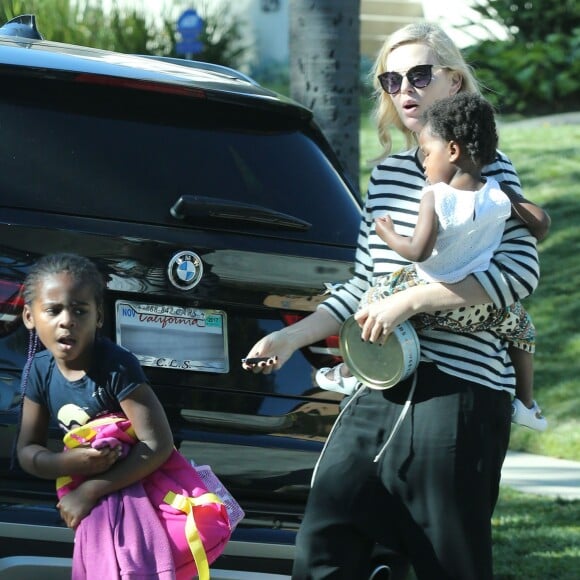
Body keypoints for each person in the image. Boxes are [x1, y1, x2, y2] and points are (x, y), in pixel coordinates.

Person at [242, 21, 545, 579]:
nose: (404, 88)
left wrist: (413, 302)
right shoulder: (385, 178)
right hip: (379, 384)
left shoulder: (487, 170)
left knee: (445, 557)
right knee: (327, 541)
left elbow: (518, 273)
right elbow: (365, 286)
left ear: (454, 83)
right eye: (390, 79)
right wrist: (288, 337)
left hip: (462, 389)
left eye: (420, 74)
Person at [316, 92, 549, 431]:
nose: (423, 163)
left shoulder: (435, 196)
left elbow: (418, 251)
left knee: (373, 302)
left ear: (452, 151)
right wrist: (516, 205)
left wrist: (389, 235)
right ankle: (526, 404)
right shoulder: (497, 193)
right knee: (523, 330)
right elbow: (540, 223)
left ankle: (352, 372)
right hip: (477, 306)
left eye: (426, 154)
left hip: (425, 295)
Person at [15, 253, 175, 570]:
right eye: (53, 310)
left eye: (79, 310)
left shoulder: (116, 366)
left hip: (134, 499)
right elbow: (26, 449)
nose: (67, 320)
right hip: (88, 508)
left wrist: (90, 489)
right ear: (29, 317)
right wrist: (66, 462)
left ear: (98, 317)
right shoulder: (39, 370)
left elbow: (158, 444)